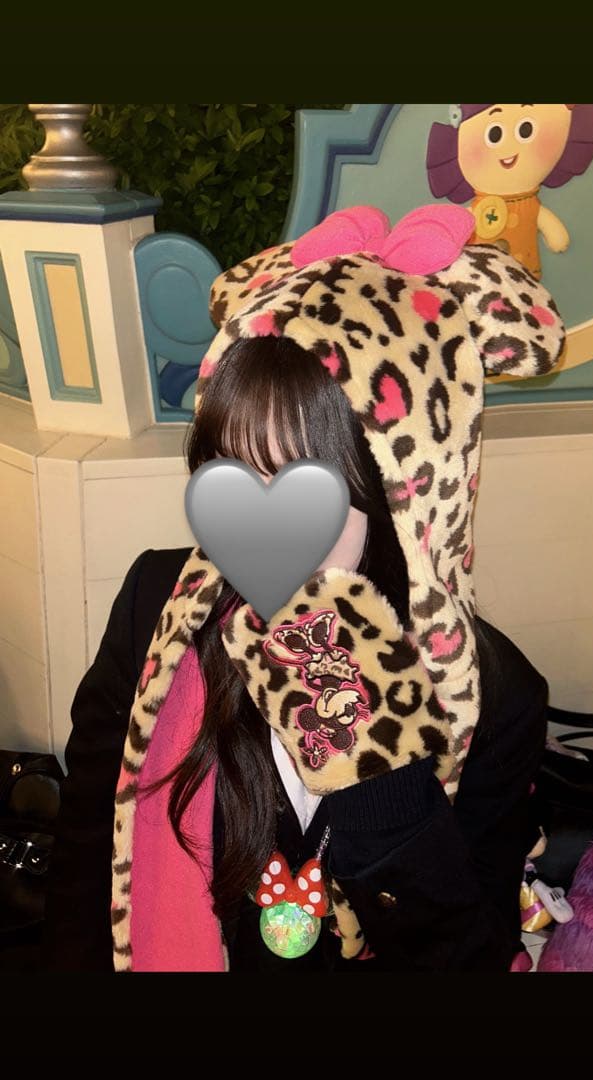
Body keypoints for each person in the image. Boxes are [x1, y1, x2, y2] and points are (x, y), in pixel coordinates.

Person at [41, 203, 566, 973]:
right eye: (232, 472)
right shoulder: (157, 608)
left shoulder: (495, 697)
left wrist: (377, 777)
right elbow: (86, 871)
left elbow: (467, 958)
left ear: (401, 493)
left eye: (301, 483)